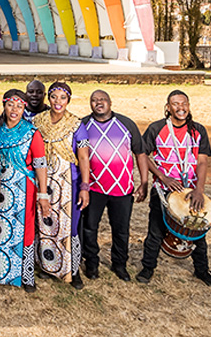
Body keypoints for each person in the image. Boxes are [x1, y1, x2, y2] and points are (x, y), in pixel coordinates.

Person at [137, 90, 211, 289]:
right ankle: (148, 268)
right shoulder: (157, 128)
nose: (180, 107)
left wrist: (199, 190)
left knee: (197, 231)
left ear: (189, 106)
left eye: (184, 103)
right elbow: (142, 155)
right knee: (155, 232)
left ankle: (202, 271)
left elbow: (202, 161)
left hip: (190, 191)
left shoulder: (198, 131)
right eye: (175, 104)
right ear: (168, 108)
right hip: (163, 190)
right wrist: (162, 176)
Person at [74, 90, 147, 282]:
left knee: (121, 229)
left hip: (122, 189)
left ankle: (119, 264)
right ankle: (91, 264)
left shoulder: (126, 124)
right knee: (90, 228)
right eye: (94, 100)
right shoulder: (83, 125)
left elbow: (140, 153)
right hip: (94, 188)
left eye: (102, 100)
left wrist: (144, 182)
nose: (98, 103)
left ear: (110, 102)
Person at [0, 89, 51, 293]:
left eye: (19, 106)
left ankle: (26, 274)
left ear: (24, 108)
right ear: (4, 106)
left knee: (25, 231)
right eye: (10, 105)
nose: (14, 110)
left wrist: (42, 194)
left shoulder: (32, 132)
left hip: (24, 189)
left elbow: (40, 164)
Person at [31, 82, 84, 289]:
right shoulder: (38, 122)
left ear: (68, 100)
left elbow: (83, 157)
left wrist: (85, 186)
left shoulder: (76, 124)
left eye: (63, 97)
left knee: (70, 227)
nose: (58, 102)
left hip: (68, 182)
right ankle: (47, 266)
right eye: (54, 97)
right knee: (44, 223)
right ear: (48, 99)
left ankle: (73, 270)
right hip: (43, 180)